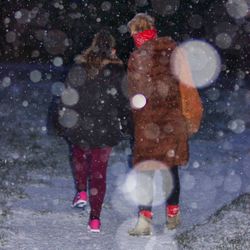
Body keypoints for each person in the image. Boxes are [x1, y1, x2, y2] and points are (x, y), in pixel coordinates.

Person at [126, 13, 203, 236]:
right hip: (172, 121)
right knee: (171, 169)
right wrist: (191, 116)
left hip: (147, 124)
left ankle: (144, 220)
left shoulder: (137, 58)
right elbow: (187, 87)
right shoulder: (174, 52)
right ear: (152, 29)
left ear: (136, 32)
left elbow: (134, 95)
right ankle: (172, 215)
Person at [54, 30, 131, 233]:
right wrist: (127, 123)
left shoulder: (79, 67)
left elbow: (67, 96)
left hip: (80, 126)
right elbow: (125, 103)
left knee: (79, 157)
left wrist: (63, 120)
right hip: (106, 128)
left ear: (92, 45)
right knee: (99, 173)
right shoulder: (118, 72)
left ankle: (81, 192)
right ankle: (95, 219)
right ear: (112, 49)